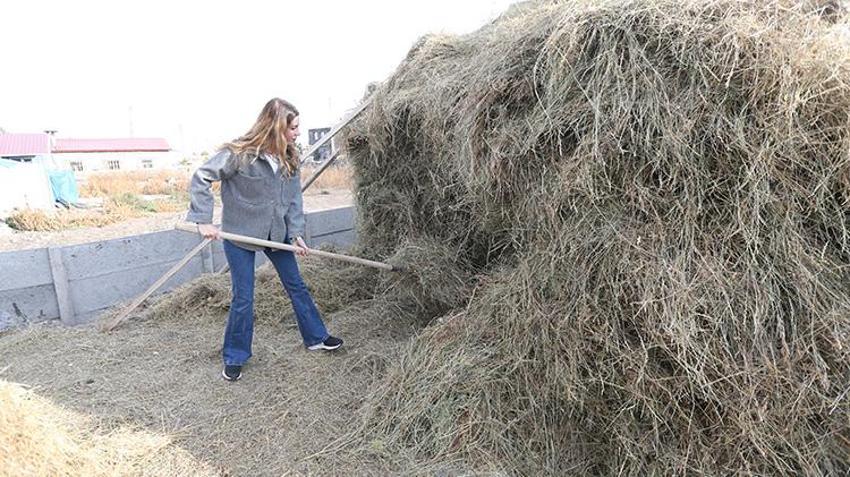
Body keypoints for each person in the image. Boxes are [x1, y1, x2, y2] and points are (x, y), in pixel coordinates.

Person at [186, 97, 343, 382]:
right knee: (243, 297)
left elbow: (294, 199)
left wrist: (295, 233)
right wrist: (204, 220)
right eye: (293, 127)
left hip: (277, 233)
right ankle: (235, 356)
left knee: (296, 285)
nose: (297, 132)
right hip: (240, 235)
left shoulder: (289, 157)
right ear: (275, 126)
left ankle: (316, 337)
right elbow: (202, 176)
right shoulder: (239, 153)